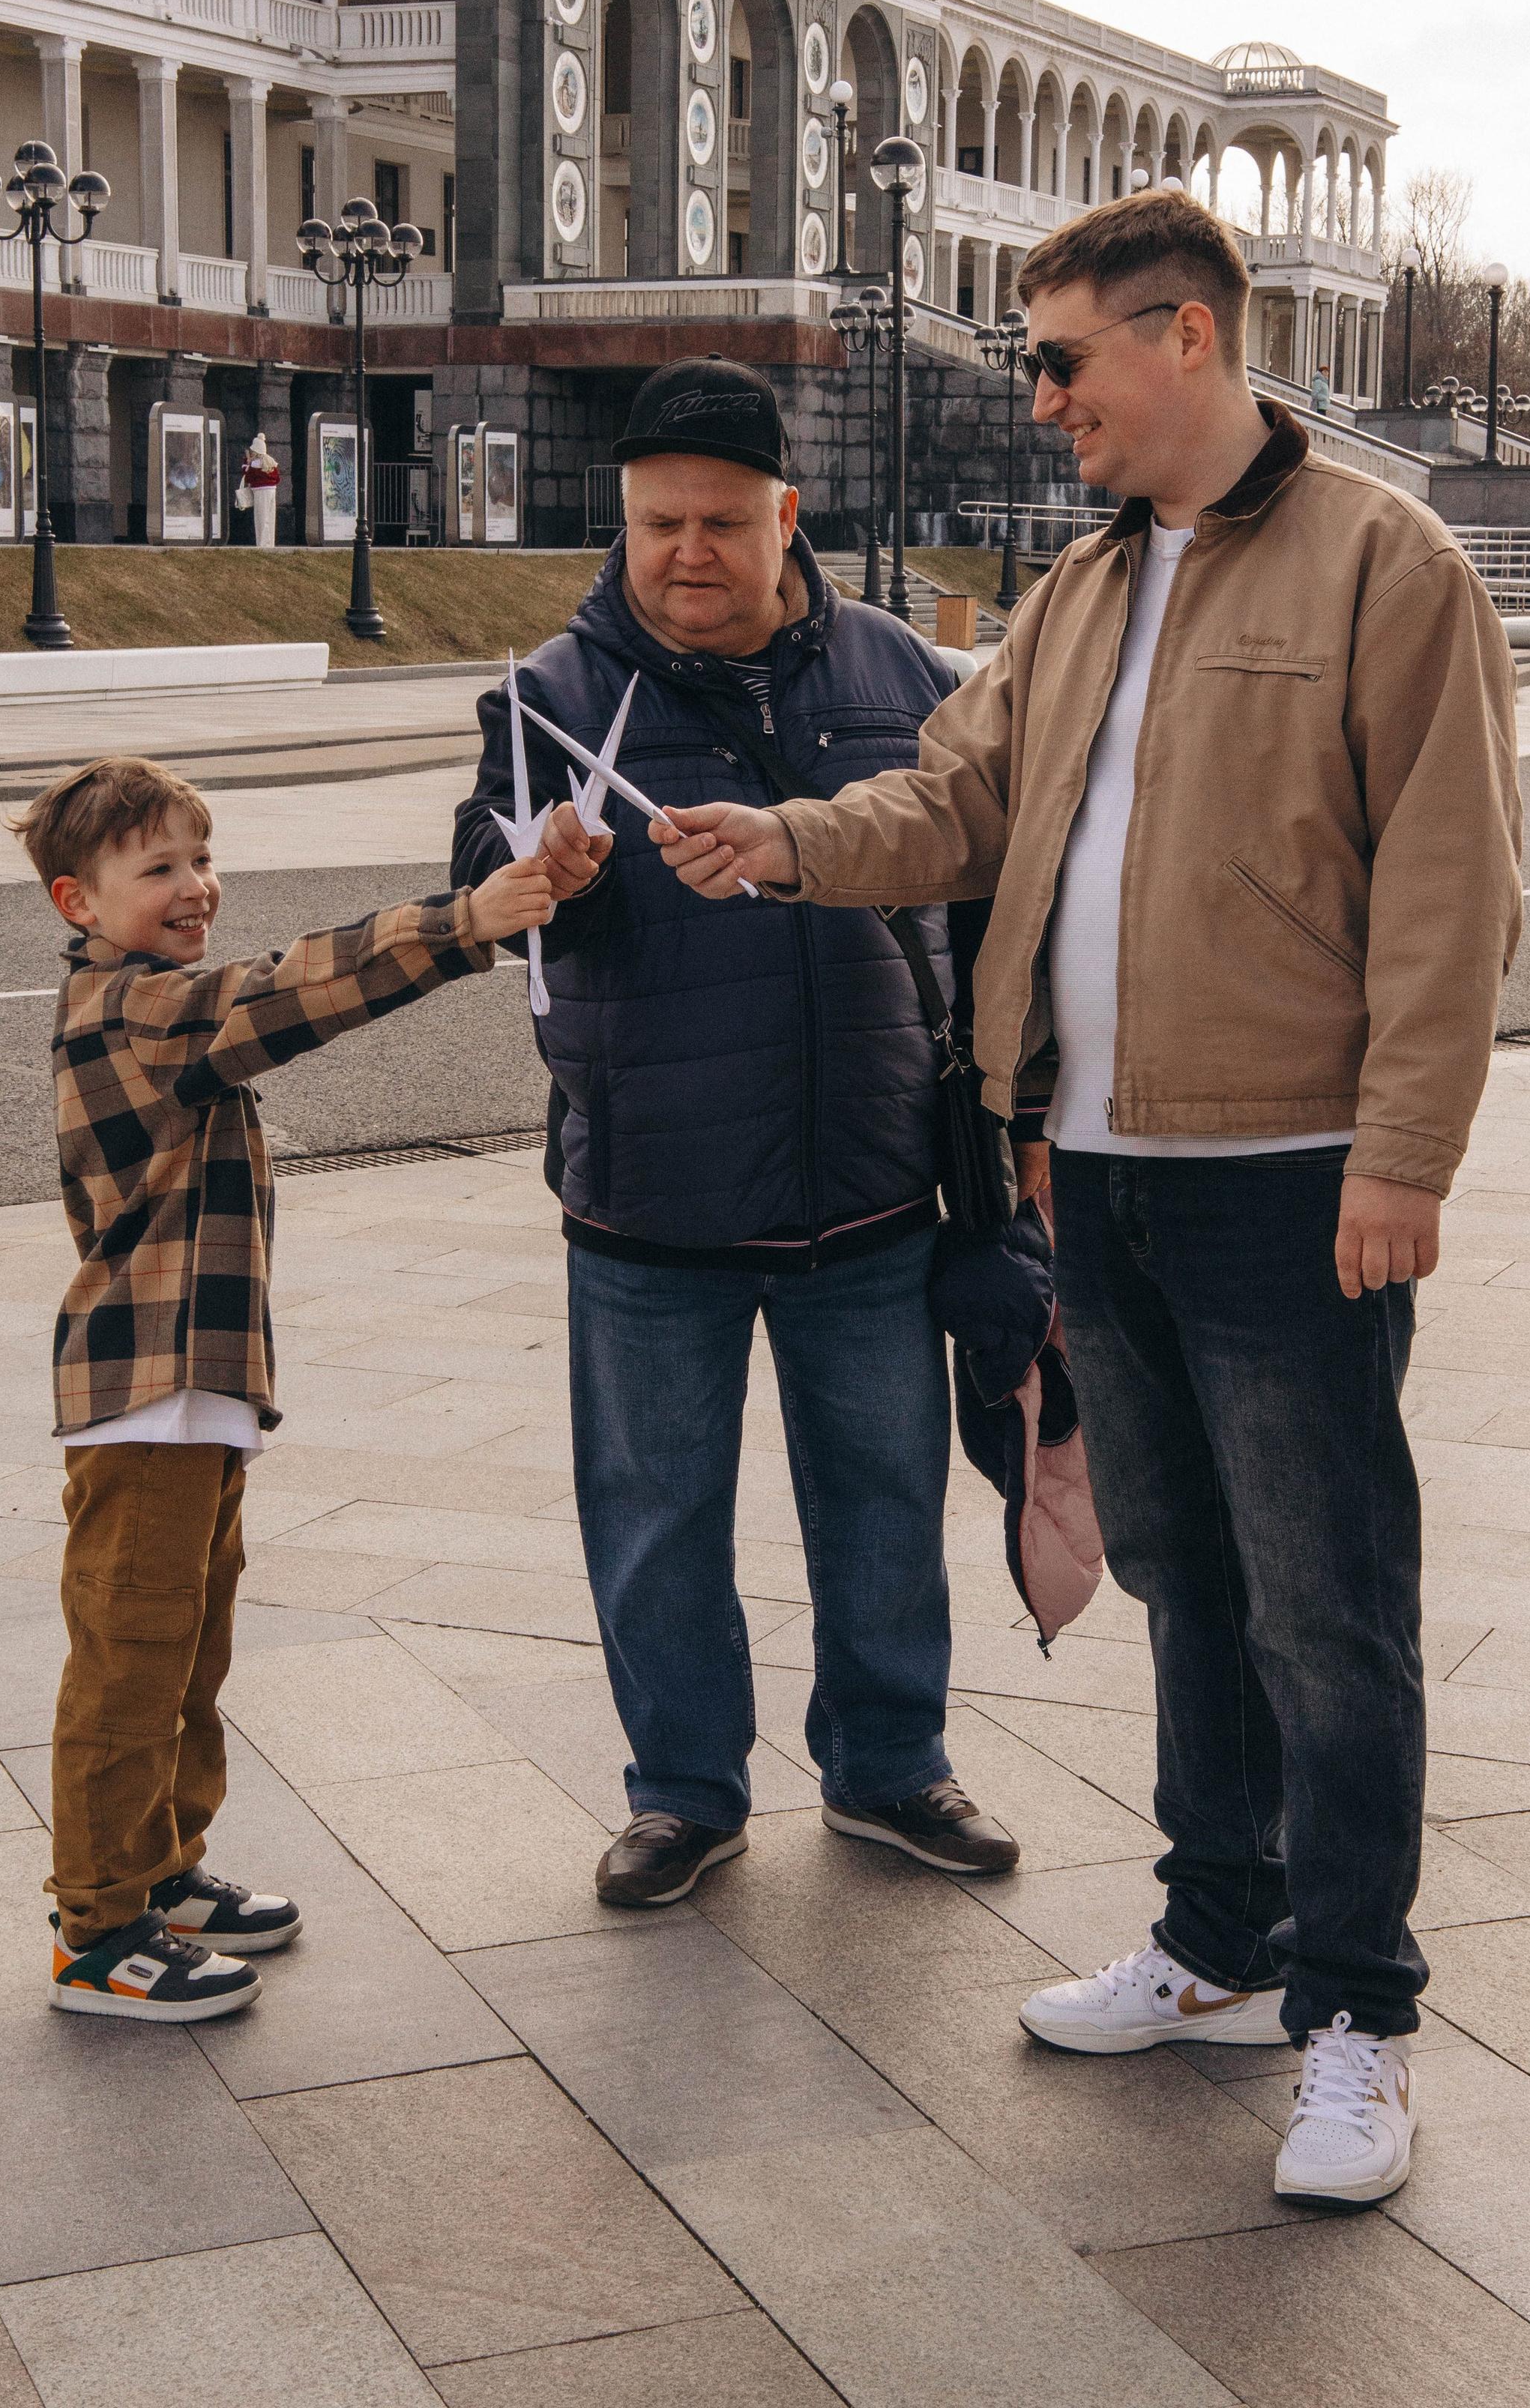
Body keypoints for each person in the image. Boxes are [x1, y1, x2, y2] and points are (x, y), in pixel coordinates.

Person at [651, 193, 1522, 2206]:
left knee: (1331, 1605)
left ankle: (1361, 2019)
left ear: (1186, 338)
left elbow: (1456, 891)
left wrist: (1406, 1157)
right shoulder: (1082, 590)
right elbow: (954, 800)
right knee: (1185, 1581)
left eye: (1060, 362)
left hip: (1293, 1178)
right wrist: (777, 839)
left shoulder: (1389, 564)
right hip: (1099, 1173)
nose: (1040, 401)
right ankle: (1219, 1940)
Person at [451, 357, 1020, 1908]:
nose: (685, 554)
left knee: (887, 1505)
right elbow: (485, 899)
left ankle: (891, 1768)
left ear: (786, 516)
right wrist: (533, 882)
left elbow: (983, 902)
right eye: (654, 525)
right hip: (650, 1202)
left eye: (717, 522)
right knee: (653, 1521)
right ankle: (682, 1794)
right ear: (618, 522)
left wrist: (998, 1116)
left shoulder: (902, 672)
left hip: (870, 1188)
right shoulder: (550, 701)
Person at [13, 753, 551, 2021]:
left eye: (202, 860)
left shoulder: (154, 1000)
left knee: (189, 1651)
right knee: (127, 1661)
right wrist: (465, 921)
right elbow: (284, 994)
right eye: (158, 870)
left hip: (193, 1399)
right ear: (74, 902)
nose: (196, 887)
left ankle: (163, 1870)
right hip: (141, 1401)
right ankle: (97, 1931)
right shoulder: (134, 1012)